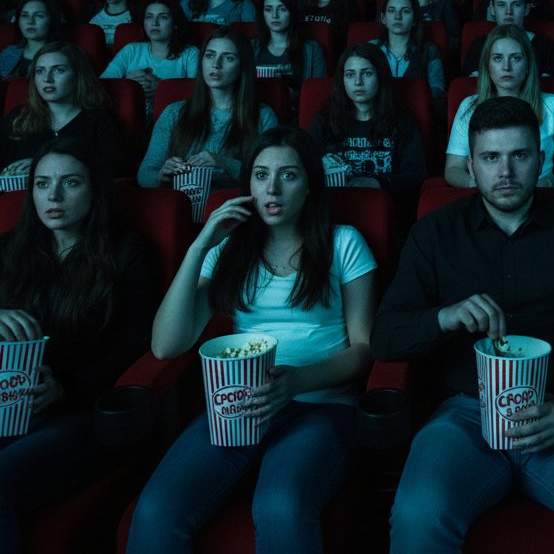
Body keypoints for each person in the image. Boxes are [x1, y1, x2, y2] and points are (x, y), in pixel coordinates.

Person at [371, 96, 554, 554]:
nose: (505, 171)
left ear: (541, 160)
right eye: (490, 158)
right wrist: (443, 317)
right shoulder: (434, 232)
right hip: (465, 414)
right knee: (417, 514)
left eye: (520, 156)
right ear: (472, 166)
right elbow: (385, 336)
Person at [126, 126, 377, 553]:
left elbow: (364, 350)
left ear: (310, 185)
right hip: (236, 406)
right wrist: (200, 245)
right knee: (155, 509)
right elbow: (166, 346)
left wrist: (295, 382)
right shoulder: (230, 250)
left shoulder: (343, 242)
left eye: (288, 175)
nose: (272, 188)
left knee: (281, 505)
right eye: (260, 175)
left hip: (322, 405)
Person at [0, 138, 157, 552]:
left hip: (84, 416)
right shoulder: (10, 248)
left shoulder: (126, 252)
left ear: (94, 189)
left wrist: (64, 385)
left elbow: (134, 349)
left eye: (69, 183)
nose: (52, 196)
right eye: (41, 183)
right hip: (8, 408)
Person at [445, 25, 554, 189]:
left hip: (540, 194)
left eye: (515, 58)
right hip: (486, 196)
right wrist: (481, 187)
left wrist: (544, 185)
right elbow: (452, 169)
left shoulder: (552, 104)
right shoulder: (469, 106)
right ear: (487, 65)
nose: (506, 67)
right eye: (497, 58)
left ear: (527, 65)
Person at [137, 28, 278, 188]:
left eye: (228, 58)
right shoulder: (174, 112)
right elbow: (144, 174)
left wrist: (224, 163)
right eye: (210, 55)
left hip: (232, 207)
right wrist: (162, 175)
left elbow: (270, 177)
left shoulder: (262, 115)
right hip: (182, 206)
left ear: (242, 66)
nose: (216, 65)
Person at [307, 43, 427, 206]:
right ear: (342, 80)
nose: (358, 82)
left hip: (385, 209)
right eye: (350, 75)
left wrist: (377, 183)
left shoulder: (402, 121)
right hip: (334, 208)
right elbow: (306, 168)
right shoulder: (324, 121)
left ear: (380, 76)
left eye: (367, 73)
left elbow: (415, 176)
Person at [0, 42, 127, 178]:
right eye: (40, 71)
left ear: (77, 75)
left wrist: (41, 165)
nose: (47, 79)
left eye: (59, 70)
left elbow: (113, 168)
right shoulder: (18, 117)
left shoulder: (100, 120)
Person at [101, 0, 200, 118]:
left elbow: (199, 94)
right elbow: (102, 85)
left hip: (175, 119)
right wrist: (127, 85)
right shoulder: (131, 50)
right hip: (130, 119)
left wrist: (161, 88)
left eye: (163, 17)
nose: (155, 23)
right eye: (149, 17)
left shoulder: (190, 53)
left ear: (175, 24)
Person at [460, 0, 554, 78]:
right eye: (501, 5)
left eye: (516, 5)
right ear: (492, 8)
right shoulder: (478, 45)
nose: (508, 12)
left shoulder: (545, 45)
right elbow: (471, 86)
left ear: (526, 9)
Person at [251, 0, 327, 96]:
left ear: (291, 12)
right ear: (262, 13)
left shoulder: (311, 49)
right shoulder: (251, 47)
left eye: (282, 9)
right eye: (268, 9)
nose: (275, 15)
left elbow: (318, 94)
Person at [0, 0, 64, 79]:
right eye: (25, 15)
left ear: (52, 20)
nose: (30, 21)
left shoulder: (62, 56)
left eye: (39, 16)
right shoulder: (9, 52)